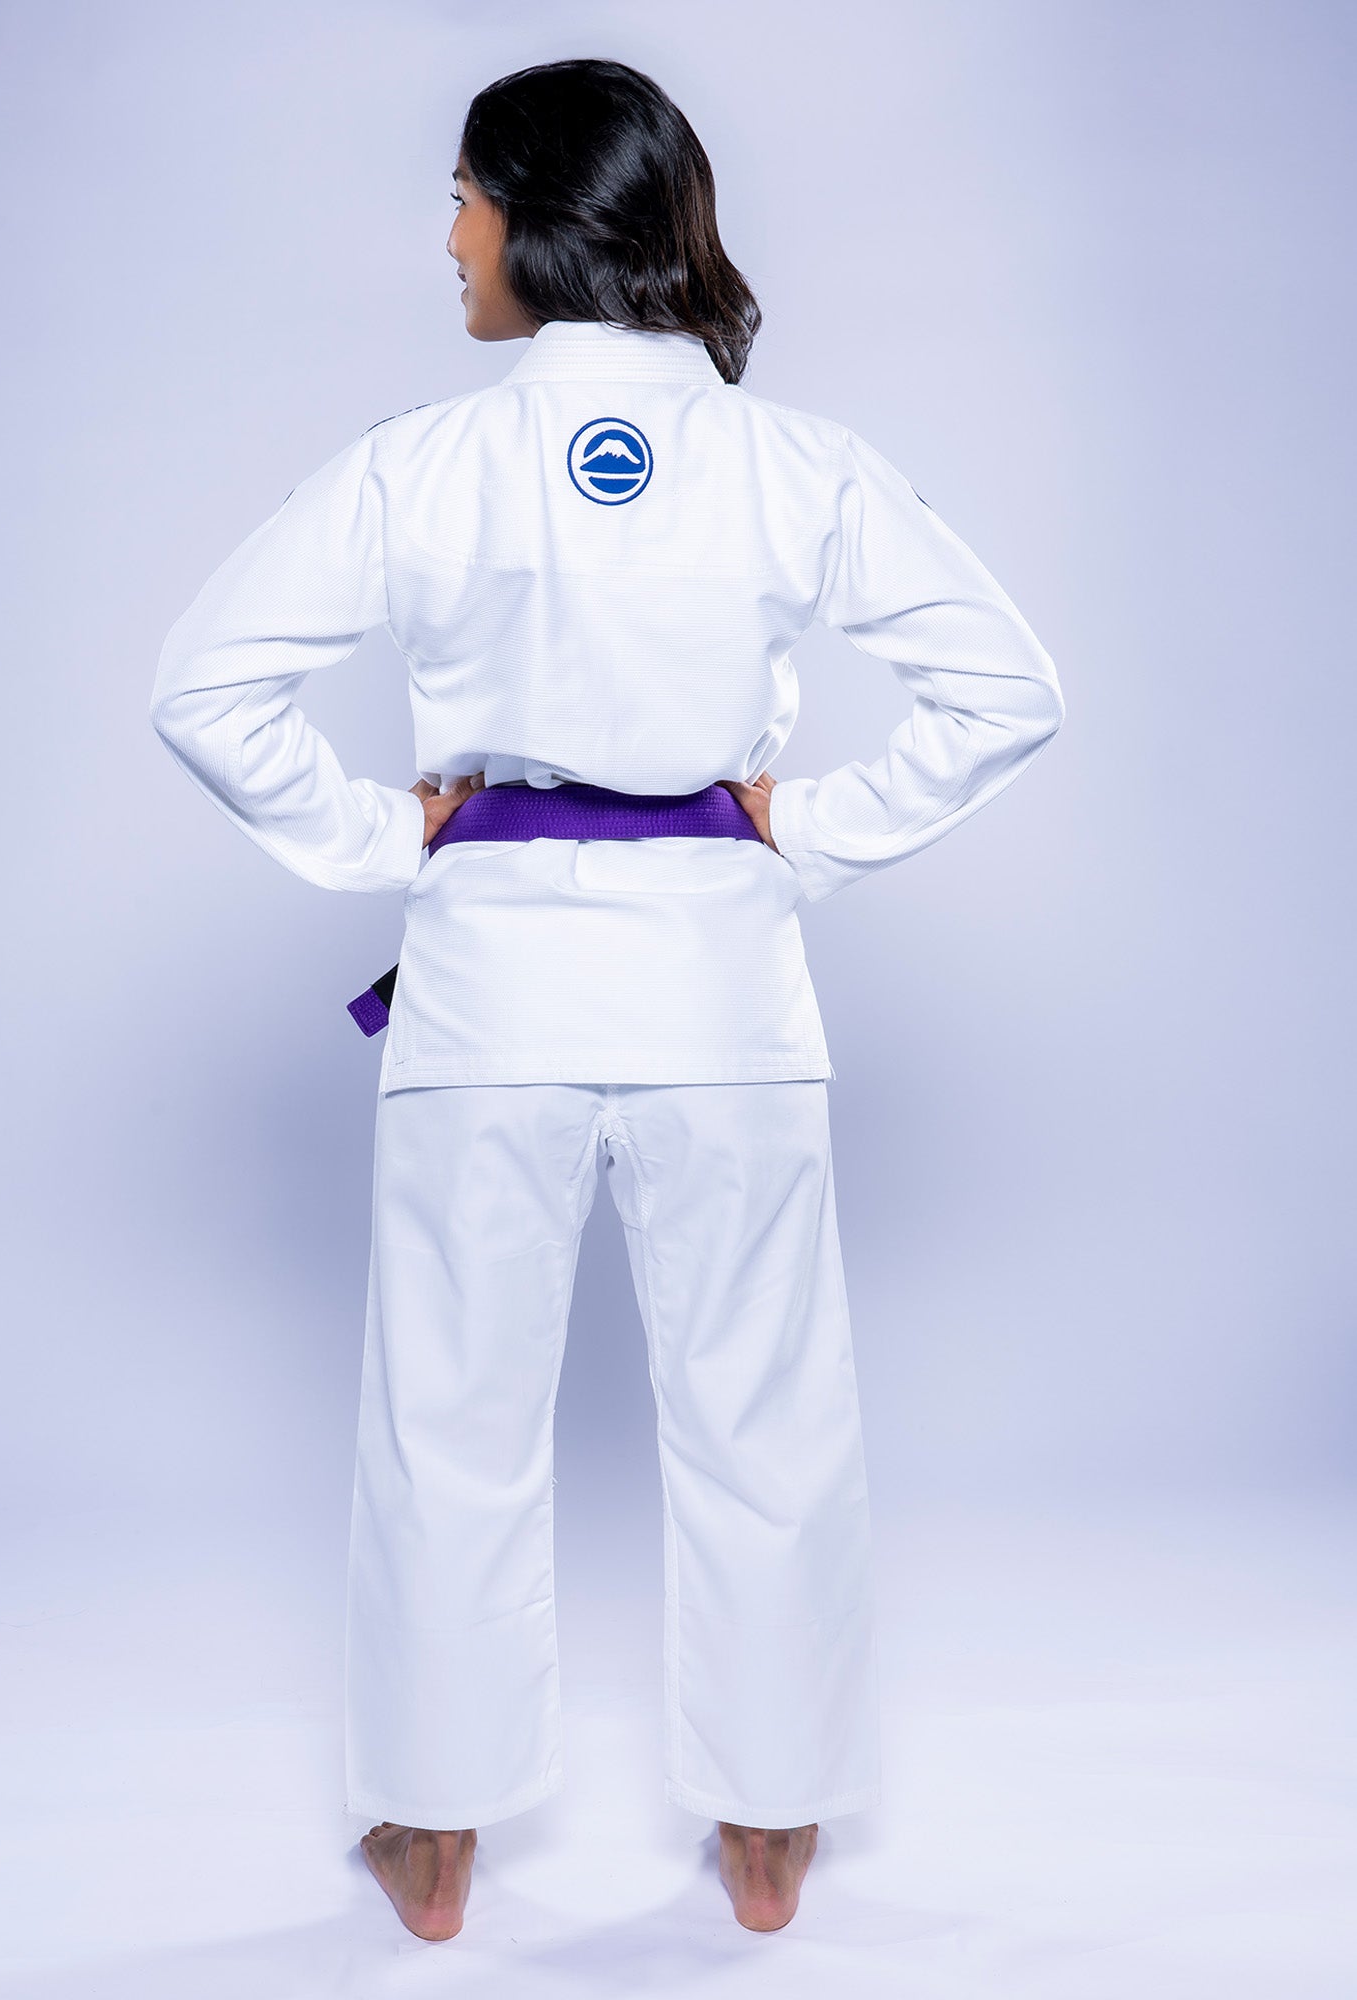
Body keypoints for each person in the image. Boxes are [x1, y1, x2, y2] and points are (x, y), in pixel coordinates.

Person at [149, 56, 1065, 1941]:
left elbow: (201, 688)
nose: (450, 238)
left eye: (466, 199)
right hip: (721, 987)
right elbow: (1010, 689)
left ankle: (431, 1832)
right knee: (767, 1410)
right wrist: (799, 829)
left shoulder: (430, 457)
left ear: (542, 215)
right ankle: (771, 1825)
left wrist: (386, 835)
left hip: (492, 990)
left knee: (450, 1420)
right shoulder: (788, 459)